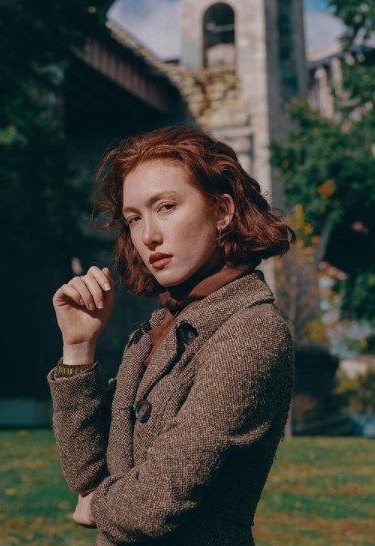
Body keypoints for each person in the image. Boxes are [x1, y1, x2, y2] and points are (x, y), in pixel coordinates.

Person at [48, 126, 295, 546]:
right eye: (134, 218)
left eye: (166, 207)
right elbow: (85, 473)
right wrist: (78, 347)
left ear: (222, 211)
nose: (148, 236)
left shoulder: (251, 331)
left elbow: (153, 506)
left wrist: (96, 506)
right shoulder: (155, 332)